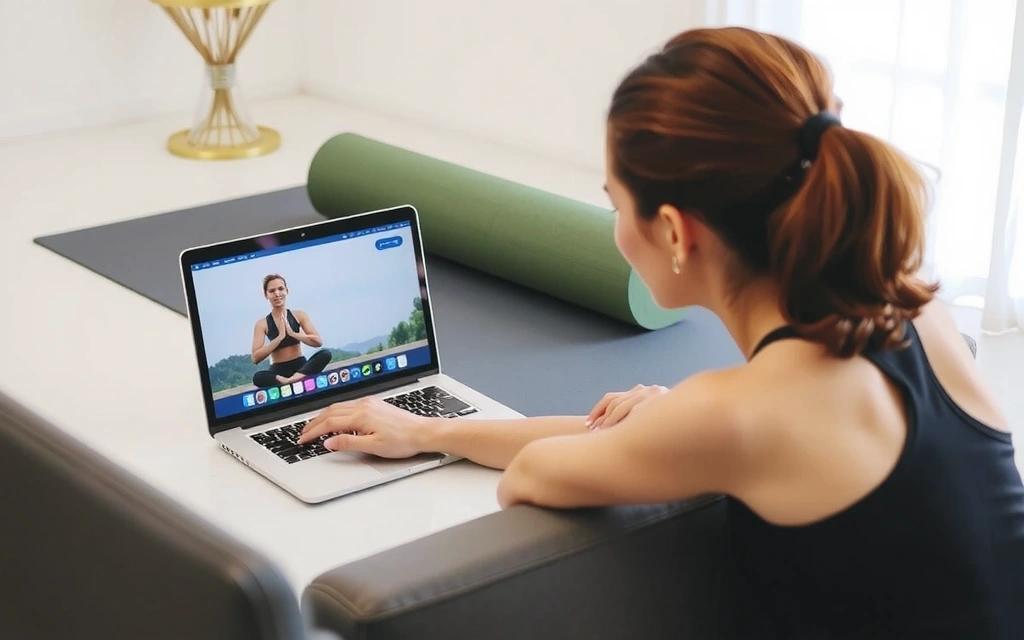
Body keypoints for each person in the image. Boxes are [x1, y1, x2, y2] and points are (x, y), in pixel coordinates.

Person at [299, 27, 1024, 637]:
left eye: (616, 204)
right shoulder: (917, 314)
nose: (614, 227)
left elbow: (532, 476)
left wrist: (673, 418)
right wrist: (429, 431)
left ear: (675, 231)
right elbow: (671, 437)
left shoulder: (738, 414)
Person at [251, 274, 331, 388]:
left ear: (287, 291)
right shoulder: (262, 324)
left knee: (325, 354)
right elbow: (255, 358)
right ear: (266, 295)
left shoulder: (299, 315)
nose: (277, 294)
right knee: (257, 377)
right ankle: (287, 381)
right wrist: (279, 338)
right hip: (278, 370)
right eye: (272, 291)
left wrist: (294, 334)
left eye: (280, 289)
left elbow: (318, 342)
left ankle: (292, 379)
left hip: (301, 366)